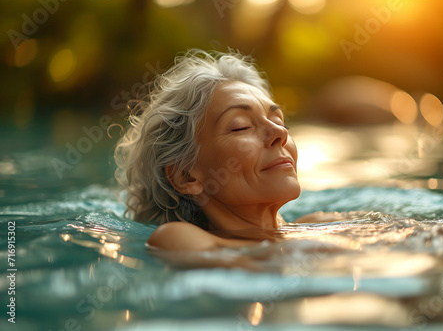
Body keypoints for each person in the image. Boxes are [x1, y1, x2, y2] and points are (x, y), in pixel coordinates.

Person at [114, 49, 335, 251]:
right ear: (186, 175)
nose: (280, 132)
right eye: (241, 126)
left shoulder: (320, 225)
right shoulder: (177, 239)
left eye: (278, 121)